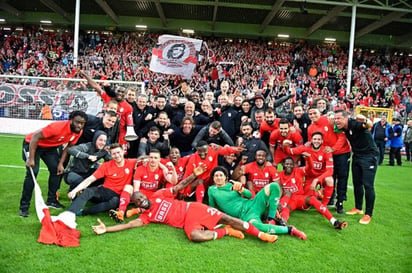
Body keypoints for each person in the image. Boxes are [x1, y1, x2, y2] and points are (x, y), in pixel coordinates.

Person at [91, 164, 278, 243]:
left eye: (141, 197)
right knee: (195, 237)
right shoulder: (146, 217)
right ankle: (225, 231)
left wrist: (194, 175)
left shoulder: (158, 195)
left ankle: (261, 235)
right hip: (187, 223)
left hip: (193, 208)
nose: (141, 200)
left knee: (229, 218)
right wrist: (106, 229)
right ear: (137, 205)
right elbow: (129, 224)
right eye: (138, 200)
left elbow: (179, 186)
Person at [19, 110, 88, 217]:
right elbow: (35, 137)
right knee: (33, 173)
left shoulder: (78, 131)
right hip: (32, 144)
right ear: (71, 120)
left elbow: (68, 147)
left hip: (49, 148)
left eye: (82, 123)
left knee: (57, 170)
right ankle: (24, 207)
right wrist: (31, 159)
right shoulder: (57, 127)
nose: (79, 125)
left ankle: (51, 201)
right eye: (77, 122)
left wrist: (61, 163)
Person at [208, 166, 307, 240]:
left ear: (225, 177)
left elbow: (249, 195)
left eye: (221, 175)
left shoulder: (233, 184)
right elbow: (211, 207)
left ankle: (271, 218)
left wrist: (241, 189)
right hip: (245, 215)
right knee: (258, 227)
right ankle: (290, 230)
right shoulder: (212, 190)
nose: (219, 177)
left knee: (274, 186)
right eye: (216, 175)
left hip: (253, 203)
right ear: (213, 178)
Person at [67, 143, 139, 216]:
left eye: (118, 152)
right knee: (88, 191)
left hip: (118, 195)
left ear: (123, 151)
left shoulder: (131, 162)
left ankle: (84, 212)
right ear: (111, 155)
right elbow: (90, 179)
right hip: (104, 191)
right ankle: (70, 213)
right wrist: (75, 191)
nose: (117, 155)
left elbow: (145, 159)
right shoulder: (106, 165)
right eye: (114, 154)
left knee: (115, 202)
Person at [334, 110, 378, 225]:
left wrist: (366, 120)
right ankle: (358, 208)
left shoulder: (354, 123)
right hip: (357, 155)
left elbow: (368, 125)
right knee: (356, 183)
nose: (336, 121)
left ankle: (368, 214)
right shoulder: (344, 128)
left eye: (339, 118)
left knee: (368, 185)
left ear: (346, 118)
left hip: (369, 156)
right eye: (335, 118)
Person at [278, 157, 348, 229]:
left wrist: (308, 158)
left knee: (312, 199)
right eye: (287, 164)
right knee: (286, 209)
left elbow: (310, 168)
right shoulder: (278, 175)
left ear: (294, 165)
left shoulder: (298, 171)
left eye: (291, 164)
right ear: (283, 164)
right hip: (289, 200)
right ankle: (283, 222)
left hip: (300, 198)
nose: (289, 166)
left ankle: (334, 221)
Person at [109, 149, 177, 222]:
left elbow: (173, 181)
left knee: (168, 193)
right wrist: (140, 201)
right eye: (151, 157)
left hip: (154, 195)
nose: (153, 160)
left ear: (159, 159)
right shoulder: (140, 169)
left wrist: (173, 169)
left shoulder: (162, 170)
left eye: (155, 158)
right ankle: (121, 212)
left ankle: (136, 211)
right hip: (141, 194)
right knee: (128, 187)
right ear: (148, 158)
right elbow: (136, 190)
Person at [284, 132, 334, 206]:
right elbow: (290, 151)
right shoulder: (305, 148)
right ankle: (319, 193)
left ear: (322, 141)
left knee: (330, 180)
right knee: (307, 202)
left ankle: (324, 205)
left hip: (322, 176)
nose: (316, 141)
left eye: (319, 139)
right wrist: (285, 145)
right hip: (310, 177)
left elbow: (330, 171)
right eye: (314, 139)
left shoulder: (326, 151)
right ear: (311, 140)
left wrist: (317, 179)